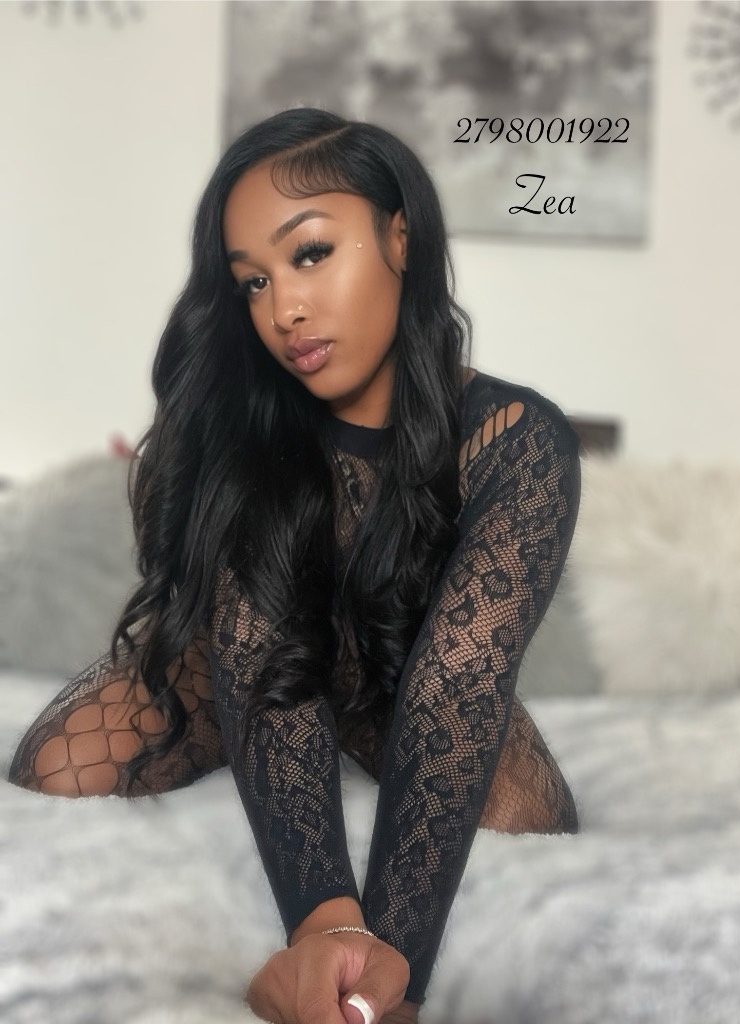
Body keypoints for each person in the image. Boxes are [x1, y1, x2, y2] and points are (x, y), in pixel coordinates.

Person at [7, 107, 581, 1024]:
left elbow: (458, 681)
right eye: (253, 282)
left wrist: (390, 975)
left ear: (400, 237)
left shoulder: (516, 438)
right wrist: (325, 923)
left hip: (414, 673)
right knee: (57, 768)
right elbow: (259, 637)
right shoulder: (251, 424)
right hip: (262, 654)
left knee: (522, 818)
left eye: (310, 253)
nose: (283, 311)